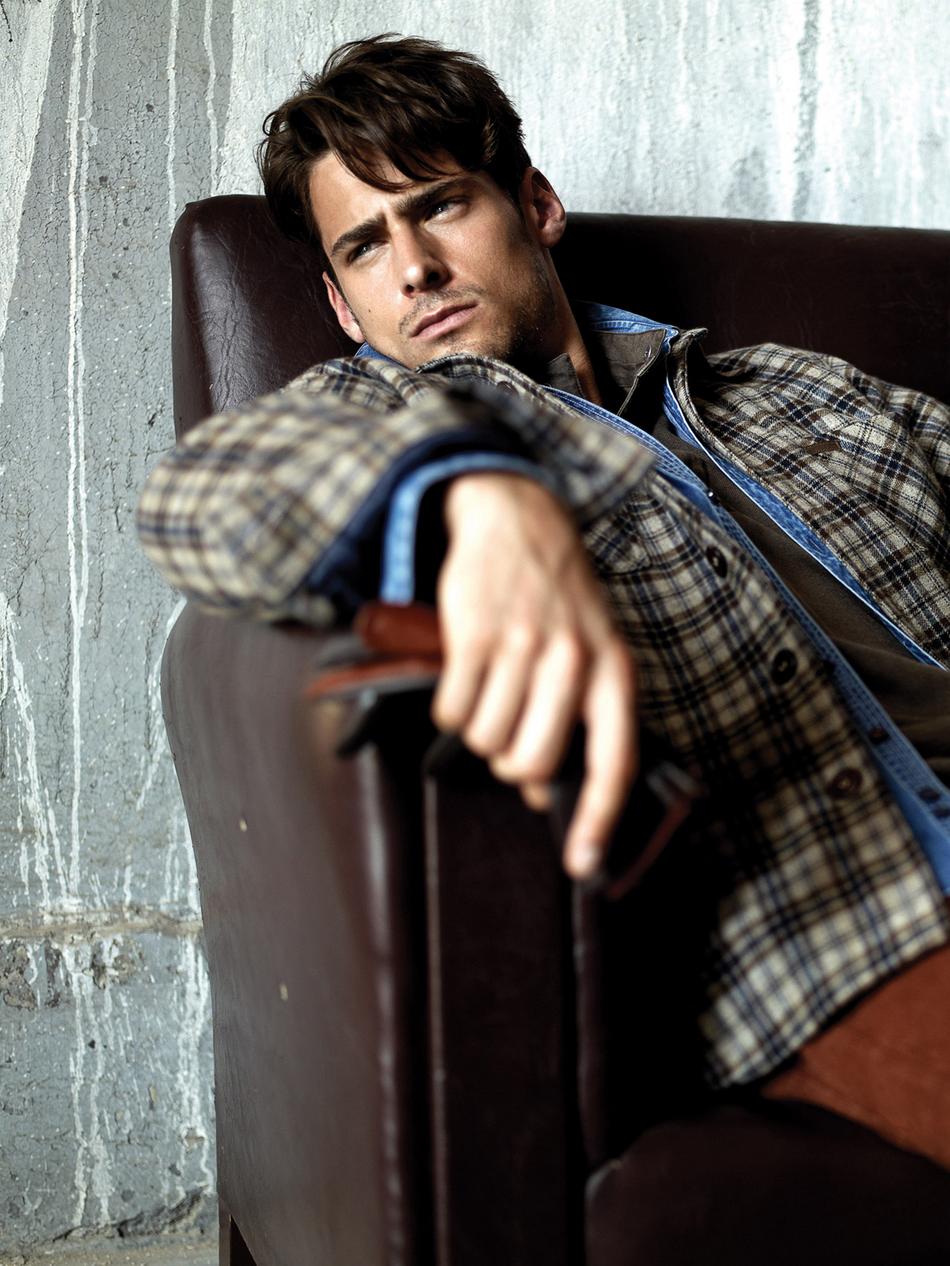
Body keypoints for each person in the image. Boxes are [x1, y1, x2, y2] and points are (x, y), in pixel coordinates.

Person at [137, 35, 950, 1165]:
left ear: (537, 206)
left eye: (440, 205)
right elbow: (199, 496)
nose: (414, 267)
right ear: (340, 304)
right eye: (366, 245)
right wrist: (475, 485)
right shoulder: (362, 426)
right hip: (856, 918)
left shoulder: (796, 393)